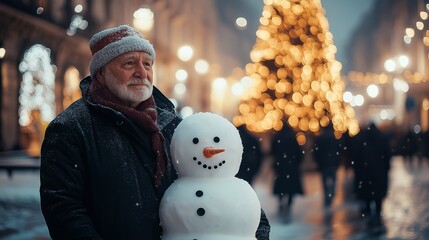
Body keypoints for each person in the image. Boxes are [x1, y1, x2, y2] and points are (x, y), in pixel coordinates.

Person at [39, 25, 270, 240]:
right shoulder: (71, 128)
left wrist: (254, 231)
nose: (142, 72)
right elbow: (64, 210)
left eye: (147, 64)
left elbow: (217, 180)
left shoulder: (171, 123)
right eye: (129, 63)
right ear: (100, 73)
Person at [353, 122, 391, 226]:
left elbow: (356, 158)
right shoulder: (382, 139)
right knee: (378, 196)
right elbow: (387, 156)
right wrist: (386, 168)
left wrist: (358, 171)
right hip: (379, 173)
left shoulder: (361, 140)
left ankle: (369, 215)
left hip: (365, 173)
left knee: (367, 195)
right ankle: (378, 214)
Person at [271, 124, 304, 214]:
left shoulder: (278, 136)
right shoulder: (293, 137)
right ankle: (289, 203)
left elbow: (272, 150)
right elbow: (299, 152)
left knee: (281, 185)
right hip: (291, 166)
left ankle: (281, 201)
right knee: (291, 186)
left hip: (280, 166)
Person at [312, 123, 343, 207]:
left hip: (324, 164)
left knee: (324, 181)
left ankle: (327, 197)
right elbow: (339, 151)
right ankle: (331, 194)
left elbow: (316, 151)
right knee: (333, 180)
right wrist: (337, 161)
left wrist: (318, 161)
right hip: (332, 163)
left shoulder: (320, 138)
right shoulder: (334, 138)